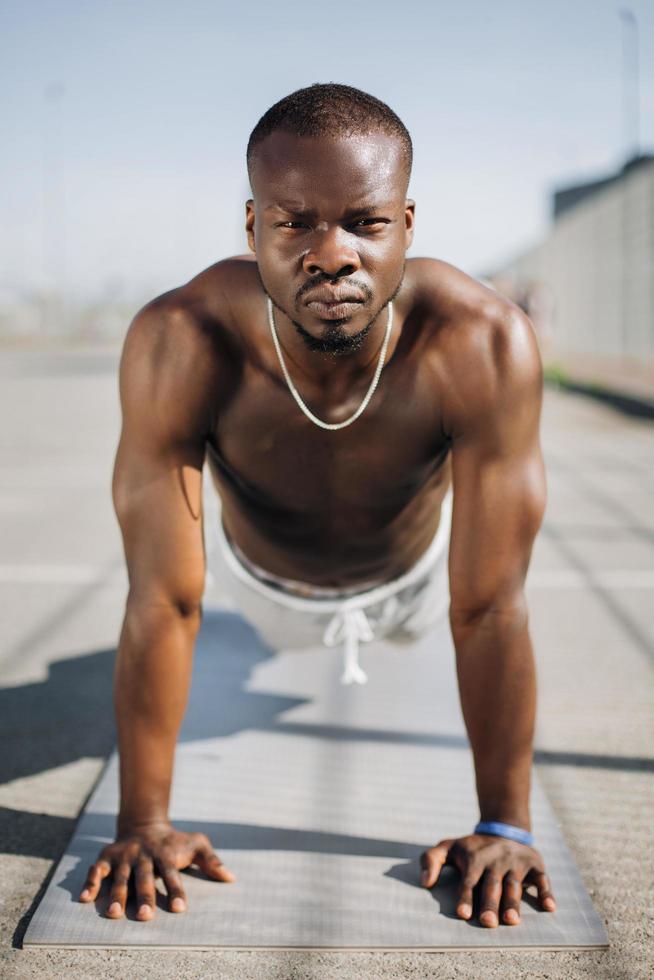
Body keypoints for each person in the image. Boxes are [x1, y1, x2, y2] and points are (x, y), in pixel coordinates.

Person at [78, 83, 556, 930]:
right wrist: (142, 824)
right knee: (235, 639)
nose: (330, 254)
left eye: (365, 223)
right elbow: (164, 597)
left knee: (467, 597)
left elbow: (488, 605)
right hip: (259, 582)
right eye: (295, 222)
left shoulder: (480, 341)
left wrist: (505, 826)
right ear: (252, 226)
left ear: (408, 224)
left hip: (410, 578)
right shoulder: (181, 339)